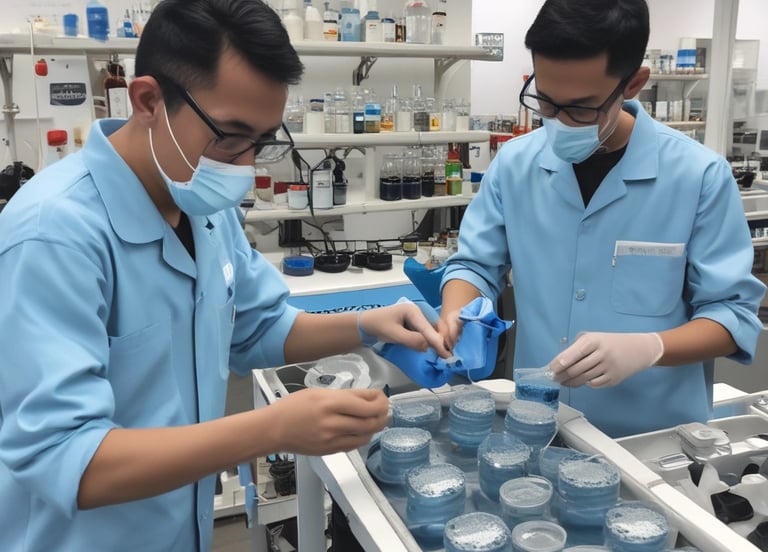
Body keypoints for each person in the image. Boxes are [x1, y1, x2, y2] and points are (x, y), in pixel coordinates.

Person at [0, 1, 450, 550]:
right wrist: (273, 428)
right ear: (148, 101)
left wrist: (367, 325)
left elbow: (258, 328)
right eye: (229, 137)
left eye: (261, 143)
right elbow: (66, 459)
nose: (244, 167)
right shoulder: (53, 234)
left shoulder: (204, 209)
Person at [439, 0, 765, 438]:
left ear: (633, 83)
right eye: (546, 102)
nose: (557, 122)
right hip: (541, 427)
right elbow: (476, 266)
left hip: (653, 442)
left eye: (580, 108)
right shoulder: (515, 164)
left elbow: (732, 317)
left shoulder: (698, 176)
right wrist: (457, 314)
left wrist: (650, 348)